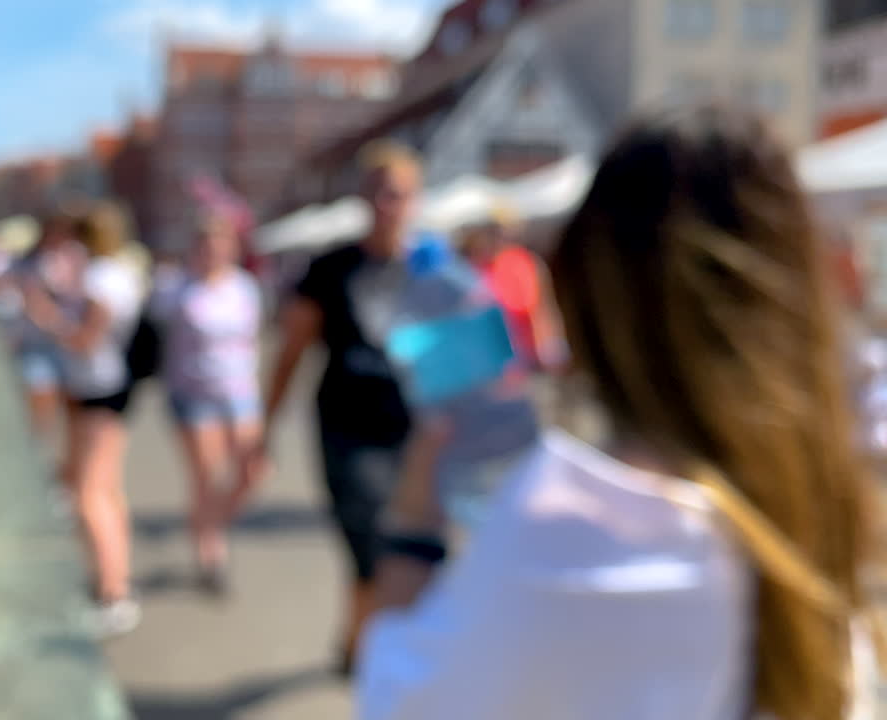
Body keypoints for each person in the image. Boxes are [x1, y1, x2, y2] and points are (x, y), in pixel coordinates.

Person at [358, 105, 880, 720]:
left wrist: (417, 509)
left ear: (586, 287)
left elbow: (398, 699)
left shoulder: (572, 527)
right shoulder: (829, 511)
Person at [261, 140, 420, 674]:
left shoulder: (430, 270)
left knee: (412, 547)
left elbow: (462, 356)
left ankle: (358, 639)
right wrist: (264, 426)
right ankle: (370, 651)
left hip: (413, 429)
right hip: (348, 428)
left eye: (396, 193)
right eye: (376, 191)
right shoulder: (331, 268)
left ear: (414, 200)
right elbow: (292, 352)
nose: (385, 203)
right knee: (371, 539)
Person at [35, 200, 147, 637]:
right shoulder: (121, 272)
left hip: (97, 389)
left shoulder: (102, 278)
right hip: (107, 388)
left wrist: (44, 315)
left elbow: (84, 340)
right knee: (107, 491)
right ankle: (114, 579)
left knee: (89, 496)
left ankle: (113, 591)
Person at [151, 212, 265, 593]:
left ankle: (211, 521)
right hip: (193, 393)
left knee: (252, 471)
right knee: (207, 476)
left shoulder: (245, 288)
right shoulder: (177, 289)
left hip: (239, 391)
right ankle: (211, 552)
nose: (213, 254)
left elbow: (253, 339)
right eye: (206, 247)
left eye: (220, 246)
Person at [6, 211, 89, 434]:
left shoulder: (75, 256)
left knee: (76, 411)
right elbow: (31, 301)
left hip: (68, 342)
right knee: (40, 404)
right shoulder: (29, 261)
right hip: (38, 342)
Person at [457, 204, 561, 370]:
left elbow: (543, 306)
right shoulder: (473, 270)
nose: (501, 239)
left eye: (507, 233)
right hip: (500, 360)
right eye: (495, 233)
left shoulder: (526, 261)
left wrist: (551, 347)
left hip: (536, 352)